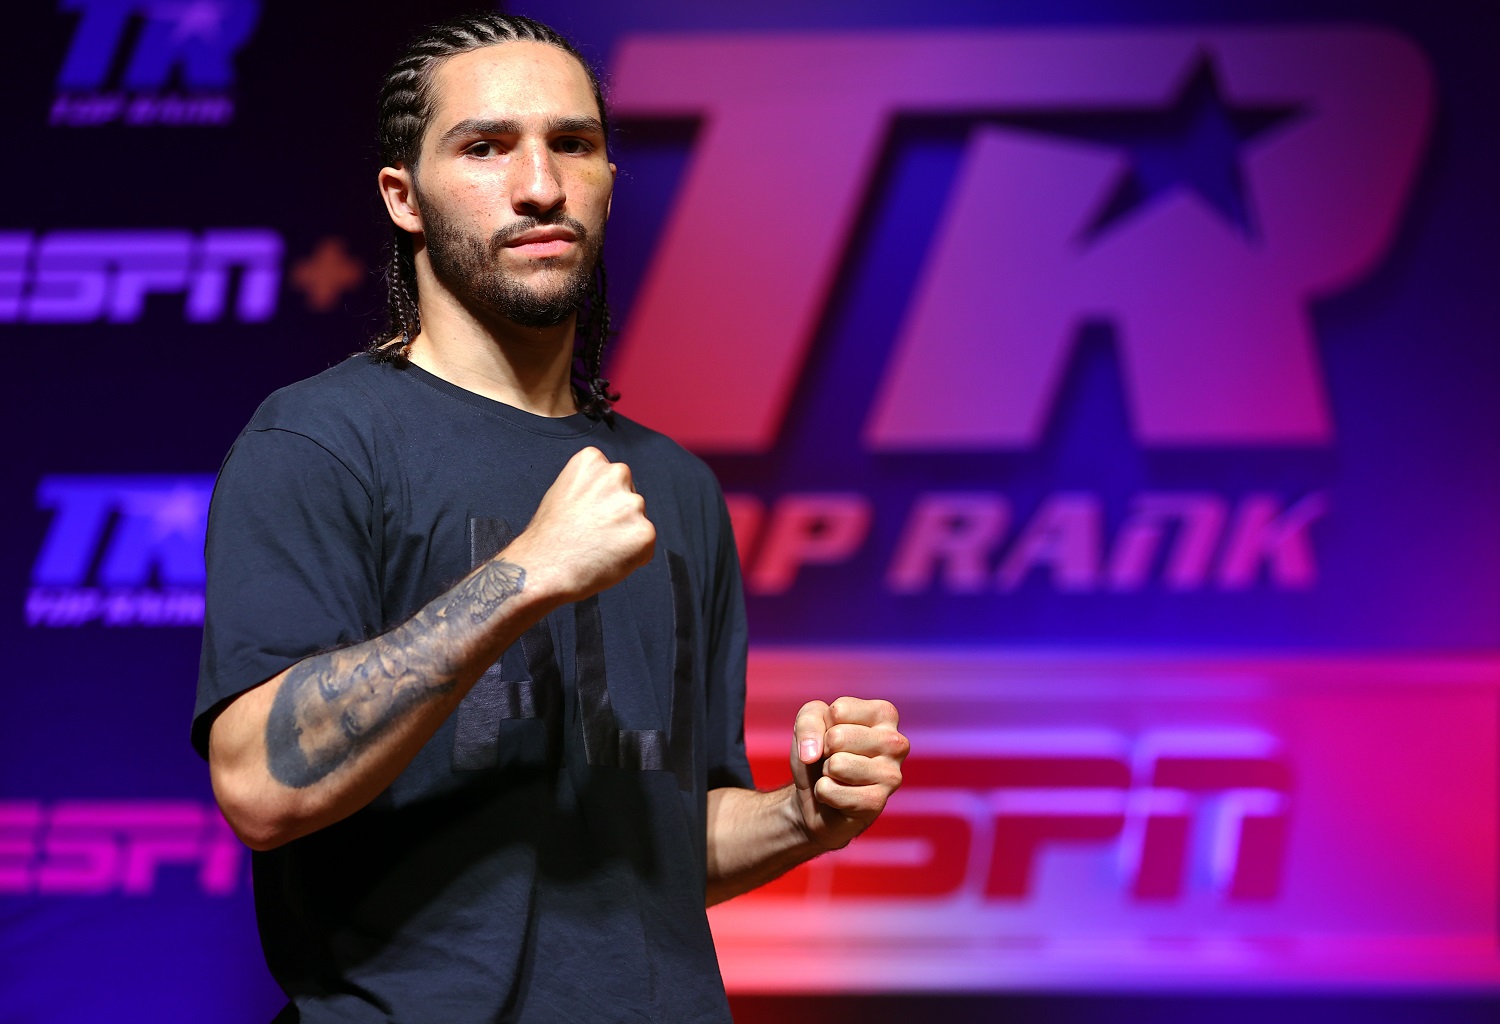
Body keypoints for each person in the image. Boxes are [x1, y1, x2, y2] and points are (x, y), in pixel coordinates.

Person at [193, 11, 907, 1023]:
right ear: (403, 197)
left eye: (572, 145)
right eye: (485, 148)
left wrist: (803, 814)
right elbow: (259, 784)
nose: (539, 185)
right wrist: (524, 575)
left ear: (609, 179)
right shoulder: (320, 441)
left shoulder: (672, 487)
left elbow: (661, 845)